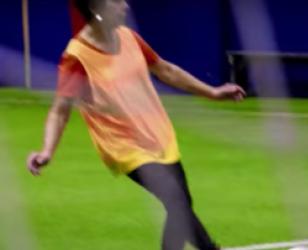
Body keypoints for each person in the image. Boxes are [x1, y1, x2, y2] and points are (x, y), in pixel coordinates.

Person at [26, 0, 246, 249]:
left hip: (157, 135)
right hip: (124, 146)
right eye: (117, 1)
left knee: (180, 204)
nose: (125, 5)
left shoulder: (129, 37)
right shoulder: (77, 57)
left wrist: (212, 92)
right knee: (176, 199)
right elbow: (60, 110)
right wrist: (47, 150)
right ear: (96, 9)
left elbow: (165, 70)